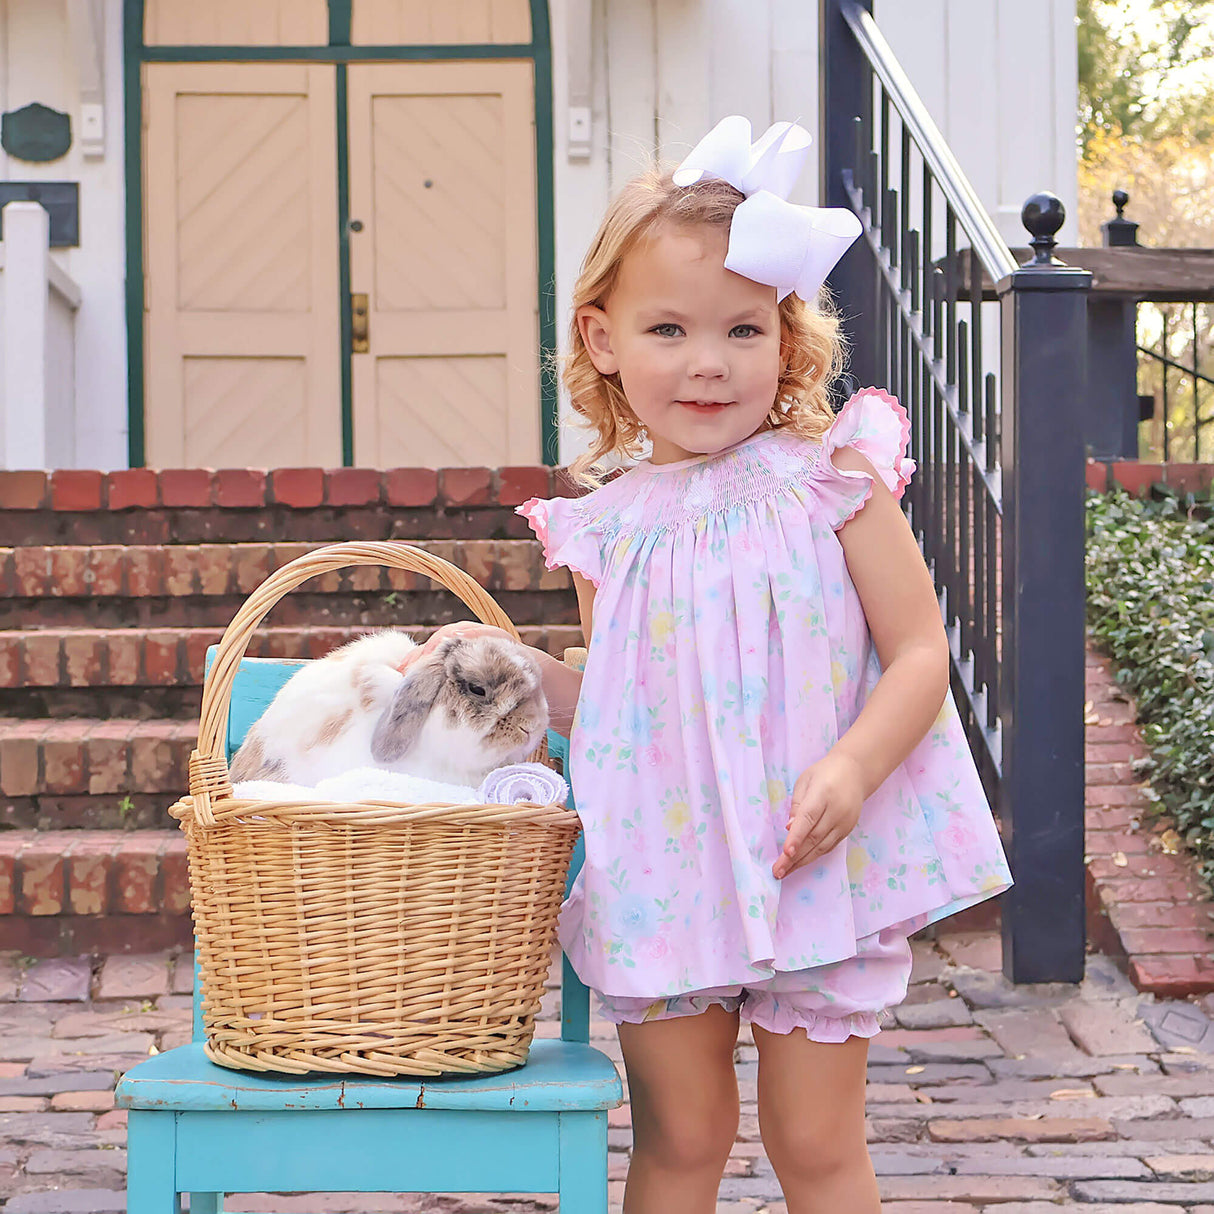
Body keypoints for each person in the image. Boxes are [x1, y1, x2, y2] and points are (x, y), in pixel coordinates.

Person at [416, 117, 1013, 1214]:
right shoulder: (603, 529)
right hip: (665, 873)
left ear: (784, 340)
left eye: (742, 329)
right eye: (668, 328)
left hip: (809, 859)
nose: (707, 361)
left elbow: (919, 649)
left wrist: (852, 764)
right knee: (678, 1140)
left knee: (814, 1139)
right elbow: (621, 697)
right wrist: (515, 673)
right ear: (602, 340)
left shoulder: (834, 482)